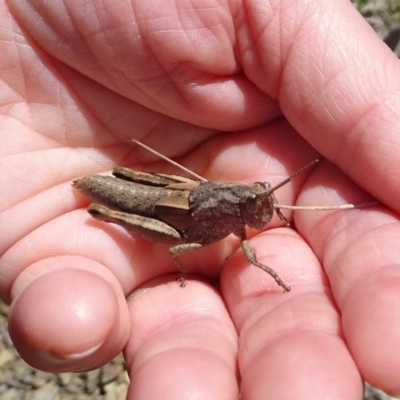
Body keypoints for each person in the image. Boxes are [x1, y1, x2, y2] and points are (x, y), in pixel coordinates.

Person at [1, 0, 400, 398]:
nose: (261, 207)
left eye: (258, 201)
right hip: (162, 213)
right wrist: (220, 271)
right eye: (254, 204)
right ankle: (104, 211)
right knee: (144, 226)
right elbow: (187, 250)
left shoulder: (238, 199)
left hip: (186, 200)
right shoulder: (228, 218)